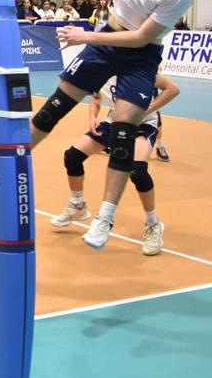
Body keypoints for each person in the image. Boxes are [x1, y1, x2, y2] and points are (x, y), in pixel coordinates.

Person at [10, 0, 204, 250]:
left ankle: (104, 217)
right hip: (109, 35)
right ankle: (13, 161)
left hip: (138, 53)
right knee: (55, 107)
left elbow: (140, 38)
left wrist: (86, 37)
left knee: (124, 131)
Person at [52, 74, 179, 255]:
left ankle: (153, 224)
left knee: (137, 171)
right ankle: (77, 205)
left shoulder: (139, 70)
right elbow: (96, 98)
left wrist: (146, 110)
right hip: (114, 122)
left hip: (143, 125)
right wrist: (93, 118)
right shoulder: (104, 70)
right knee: (72, 157)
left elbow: (172, 89)